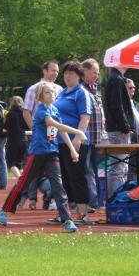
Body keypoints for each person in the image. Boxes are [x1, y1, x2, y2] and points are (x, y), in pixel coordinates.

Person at [0, 81, 86, 232]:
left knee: (58, 185)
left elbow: (61, 131)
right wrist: (78, 132)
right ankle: (3, 211)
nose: (52, 94)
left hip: (52, 153)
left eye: (53, 91)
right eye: (48, 92)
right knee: (23, 183)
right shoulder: (41, 110)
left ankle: (67, 220)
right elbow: (52, 123)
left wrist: (72, 150)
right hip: (38, 152)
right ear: (40, 96)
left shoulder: (55, 109)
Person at [54, 60, 93, 224]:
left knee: (77, 176)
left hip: (75, 142)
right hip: (60, 141)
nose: (67, 76)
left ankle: (83, 214)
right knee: (65, 178)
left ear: (79, 76)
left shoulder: (81, 93)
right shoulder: (61, 93)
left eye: (71, 73)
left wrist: (78, 138)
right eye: (65, 73)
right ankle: (66, 214)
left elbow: (85, 117)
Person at [22, 60, 61, 206]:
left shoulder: (59, 89)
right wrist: (35, 129)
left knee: (54, 169)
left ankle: (52, 198)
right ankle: (31, 197)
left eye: (57, 71)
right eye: (53, 70)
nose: (55, 73)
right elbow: (26, 111)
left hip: (53, 132)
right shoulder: (34, 89)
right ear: (44, 71)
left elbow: (57, 115)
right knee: (35, 168)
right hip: (39, 133)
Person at [103, 65, 135, 197]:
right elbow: (117, 106)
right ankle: (115, 199)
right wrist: (125, 127)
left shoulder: (117, 78)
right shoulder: (116, 79)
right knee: (118, 167)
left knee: (121, 167)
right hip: (118, 130)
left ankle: (117, 198)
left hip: (118, 129)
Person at [82, 58, 106, 209]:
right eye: (94, 72)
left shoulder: (95, 89)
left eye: (98, 73)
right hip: (87, 137)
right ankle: (93, 201)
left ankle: (97, 200)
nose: (97, 75)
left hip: (98, 137)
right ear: (85, 71)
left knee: (96, 170)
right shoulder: (81, 90)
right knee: (88, 170)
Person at [125, 78, 139, 183]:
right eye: (130, 88)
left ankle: (135, 186)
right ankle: (128, 188)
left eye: (134, 87)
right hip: (128, 138)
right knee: (128, 168)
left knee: (136, 167)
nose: (133, 89)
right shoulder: (123, 104)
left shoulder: (135, 103)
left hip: (137, 139)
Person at [4, 95, 28, 180]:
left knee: (10, 163)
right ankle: (23, 180)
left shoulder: (10, 114)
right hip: (24, 140)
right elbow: (27, 126)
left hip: (13, 141)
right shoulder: (24, 114)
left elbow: (6, 127)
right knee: (19, 163)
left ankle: (20, 180)